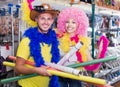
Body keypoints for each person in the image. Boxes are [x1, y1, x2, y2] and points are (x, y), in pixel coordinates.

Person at [57, 7, 109, 87]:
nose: (70, 25)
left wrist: (100, 52)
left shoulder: (82, 43)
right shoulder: (57, 38)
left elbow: (94, 69)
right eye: (67, 22)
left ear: (79, 24)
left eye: (73, 22)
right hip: (58, 77)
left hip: (74, 78)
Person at [15, 3, 60, 87]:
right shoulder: (27, 40)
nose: (46, 22)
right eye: (42, 18)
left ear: (52, 21)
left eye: (49, 19)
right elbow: (18, 68)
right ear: (36, 19)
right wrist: (36, 70)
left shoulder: (54, 41)